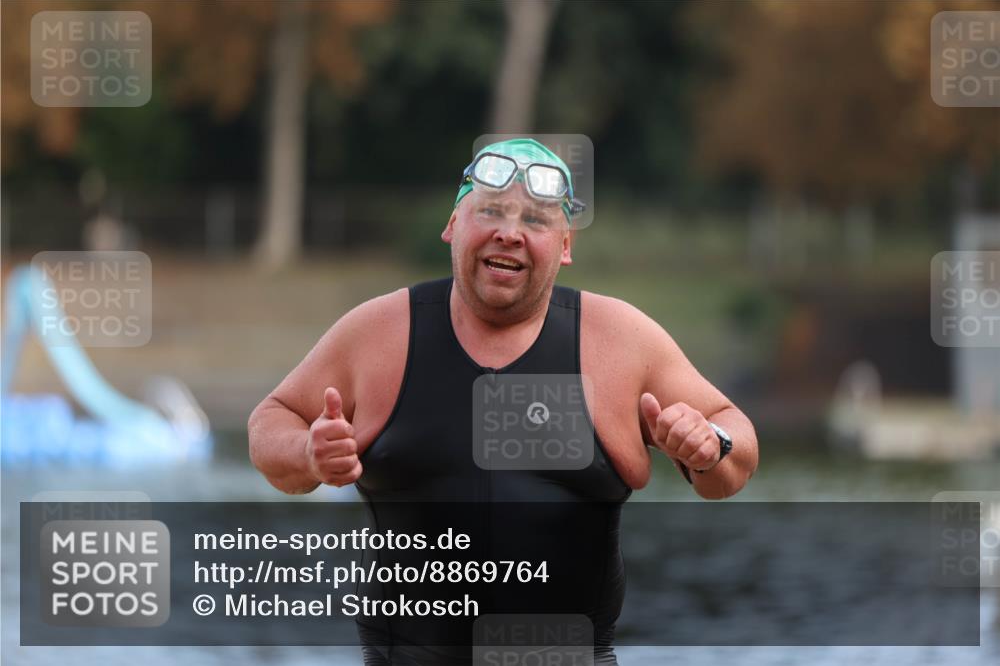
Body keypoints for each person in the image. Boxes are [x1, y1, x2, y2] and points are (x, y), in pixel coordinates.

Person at [248, 138, 758, 664]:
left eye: (536, 220)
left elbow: (734, 441)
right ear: (452, 225)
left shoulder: (621, 341)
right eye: (490, 211)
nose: (509, 233)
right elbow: (271, 421)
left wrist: (710, 444)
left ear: (564, 246)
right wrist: (308, 454)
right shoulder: (380, 332)